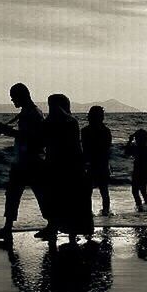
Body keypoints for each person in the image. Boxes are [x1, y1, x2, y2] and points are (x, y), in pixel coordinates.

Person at [0, 83, 47, 240]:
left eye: (14, 97)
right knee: (14, 194)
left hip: (32, 161)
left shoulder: (33, 113)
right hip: (24, 160)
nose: (12, 100)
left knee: (37, 195)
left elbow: (28, 136)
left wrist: (6, 131)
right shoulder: (27, 112)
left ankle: (52, 225)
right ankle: (8, 227)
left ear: (22, 96)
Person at [43, 94, 94, 243]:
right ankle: (71, 234)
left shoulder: (58, 122)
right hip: (71, 166)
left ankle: (61, 231)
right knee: (71, 201)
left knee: (61, 200)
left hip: (61, 166)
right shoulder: (71, 121)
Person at [81, 105, 112, 216]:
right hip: (102, 164)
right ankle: (106, 213)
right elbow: (107, 149)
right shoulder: (105, 131)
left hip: (91, 164)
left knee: (88, 191)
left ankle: (88, 213)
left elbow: (85, 149)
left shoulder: (85, 131)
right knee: (104, 191)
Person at [125, 129, 147, 211]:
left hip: (139, 172)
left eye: (137, 138)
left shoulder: (142, 149)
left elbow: (127, 152)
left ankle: (141, 207)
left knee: (136, 191)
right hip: (142, 173)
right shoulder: (144, 148)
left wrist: (130, 141)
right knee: (142, 191)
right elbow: (127, 152)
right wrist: (130, 141)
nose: (136, 140)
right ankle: (144, 207)